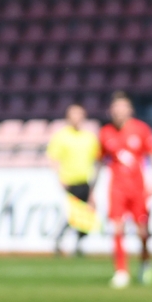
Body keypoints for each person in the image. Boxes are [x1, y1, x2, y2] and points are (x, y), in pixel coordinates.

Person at [97, 92, 152, 289]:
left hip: (138, 188)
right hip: (117, 188)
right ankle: (121, 271)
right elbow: (99, 160)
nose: (119, 112)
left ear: (130, 110)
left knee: (142, 231)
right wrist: (93, 188)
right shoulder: (105, 132)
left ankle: (145, 262)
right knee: (117, 227)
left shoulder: (140, 129)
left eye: (123, 108)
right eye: (116, 108)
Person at [45, 102, 99, 257]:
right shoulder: (61, 136)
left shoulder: (89, 137)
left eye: (79, 114)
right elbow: (53, 158)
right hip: (69, 181)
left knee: (86, 215)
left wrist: (94, 184)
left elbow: (96, 160)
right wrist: (59, 177)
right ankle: (60, 240)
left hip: (85, 181)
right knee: (74, 214)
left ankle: (78, 243)